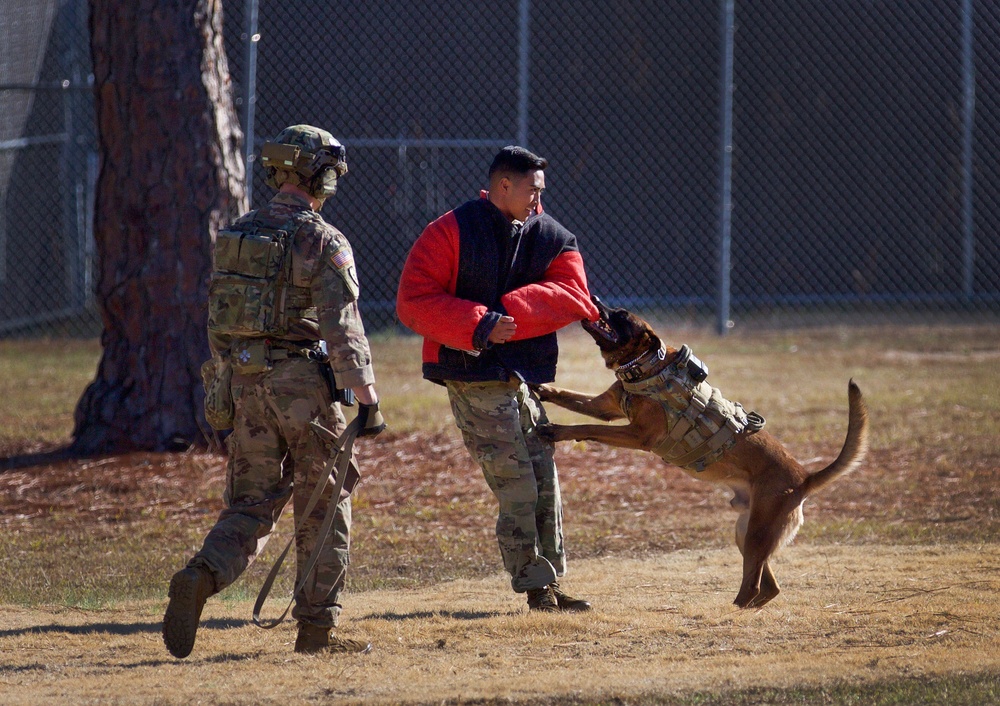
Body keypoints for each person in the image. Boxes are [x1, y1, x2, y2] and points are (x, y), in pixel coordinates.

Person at [163, 125, 386, 658]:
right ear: (319, 174)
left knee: (251, 504)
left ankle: (203, 574)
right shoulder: (323, 239)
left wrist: (225, 385)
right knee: (323, 506)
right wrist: (369, 399)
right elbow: (343, 328)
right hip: (305, 389)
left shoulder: (238, 233)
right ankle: (316, 631)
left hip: (245, 385)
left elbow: (220, 319)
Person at [396, 145, 599, 613]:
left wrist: (512, 313)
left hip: (524, 379)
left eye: (541, 190)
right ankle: (534, 586)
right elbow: (413, 300)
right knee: (517, 484)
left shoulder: (550, 235)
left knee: (544, 479)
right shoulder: (449, 230)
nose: (538, 199)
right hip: (473, 377)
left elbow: (575, 293)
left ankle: (549, 583)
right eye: (532, 189)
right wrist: (478, 324)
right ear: (503, 186)